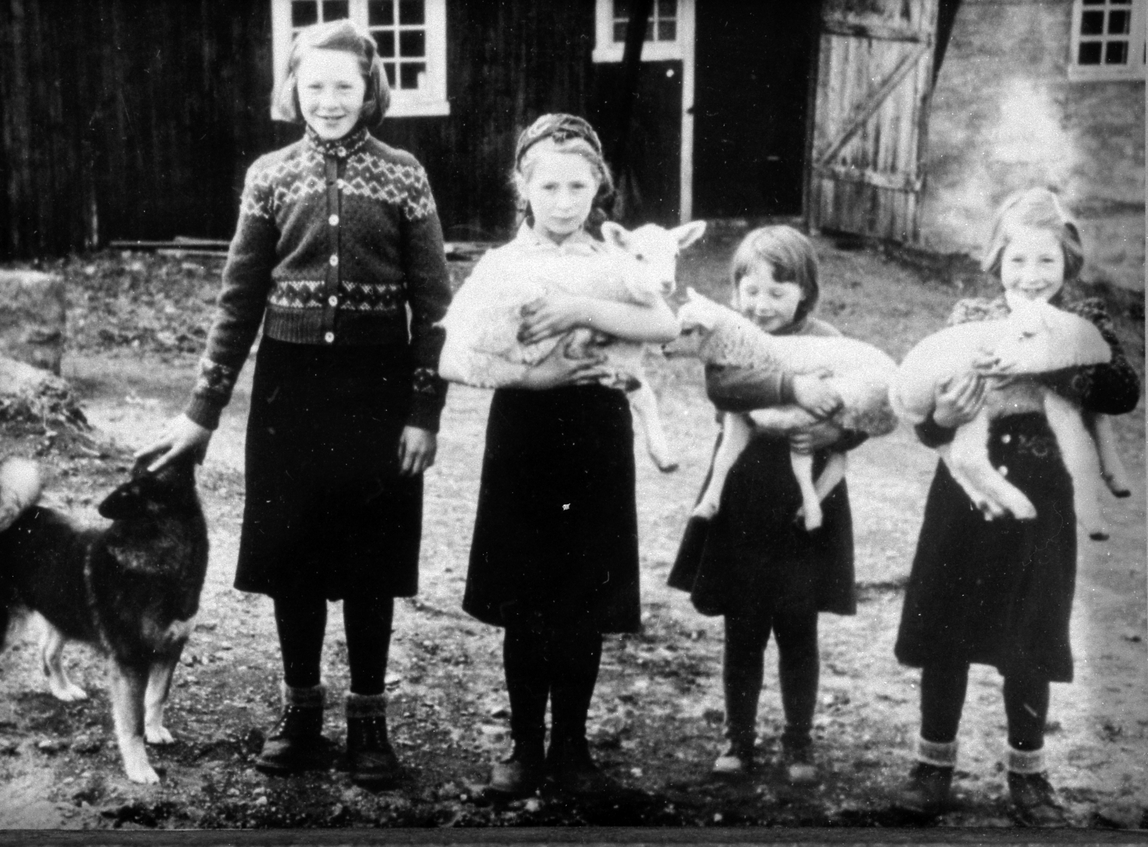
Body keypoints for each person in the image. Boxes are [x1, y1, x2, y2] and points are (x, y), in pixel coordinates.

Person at [137, 19, 451, 787]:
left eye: (346, 85)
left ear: (370, 89)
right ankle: (302, 713)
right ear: (294, 90)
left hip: (377, 393)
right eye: (316, 85)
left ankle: (369, 723)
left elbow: (435, 304)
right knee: (296, 555)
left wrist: (422, 411)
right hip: (290, 390)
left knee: (373, 559)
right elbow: (237, 301)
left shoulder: (405, 175)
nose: (331, 100)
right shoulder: (269, 176)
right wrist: (201, 413)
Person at [892, 188, 1140, 826]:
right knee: (946, 625)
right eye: (1018, 262)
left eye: (1047, 263)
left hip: (1044, 490)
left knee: (1029, 632)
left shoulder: (1085, 318)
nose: (1031, 277)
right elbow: (932, 413)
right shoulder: (971, 313)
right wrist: (943, 417)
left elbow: (1120, 390)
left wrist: (1046, 357)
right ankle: (932, 765)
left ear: (1068, 263)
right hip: (965, 495)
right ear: (996, 260)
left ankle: (1028, 773)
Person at [454, 113, 679, 798]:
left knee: (582, 596)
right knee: (526, 598)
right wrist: (535, 376)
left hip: (596, 436)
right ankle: (523, 748)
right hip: (524, 431)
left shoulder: (612, 263)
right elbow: (456, 354)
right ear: (522, 186)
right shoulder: (502, 264)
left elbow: (665, 323)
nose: (562, 200)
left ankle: (574, 752)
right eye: (547, 185)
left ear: (598, 187)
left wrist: (582, 303)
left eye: (577, 185)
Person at [667, 225, 865, 786]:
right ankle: (739, 737)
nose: (762, 304)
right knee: (744, 626)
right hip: (744, 496)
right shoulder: (728, 336)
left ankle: (799, 739)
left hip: (802, 504)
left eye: (777, 292)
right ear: (733, 294)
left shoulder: (828, 340)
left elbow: (859, 405)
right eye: (750, 291)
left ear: (804, 291)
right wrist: (792, 387)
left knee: (798, 627)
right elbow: (724, 388)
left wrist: (836, 437)